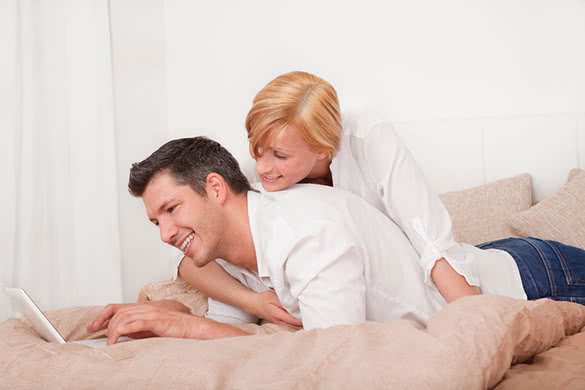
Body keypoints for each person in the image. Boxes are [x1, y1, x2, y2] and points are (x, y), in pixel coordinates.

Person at [89, 137, 585, 345]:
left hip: (528, 274)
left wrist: (191, 332)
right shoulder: (234, 243)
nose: (166, 233)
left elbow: (332, 350)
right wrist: (174, 319)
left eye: (171, 210)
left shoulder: (307, 232)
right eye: (156, 222)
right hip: (494, 261)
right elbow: (234, 328)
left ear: (216, 188)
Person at [175, 71, 486, 326]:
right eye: (256, 147)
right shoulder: (255, 176)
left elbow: (433, 245)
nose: (262, 166)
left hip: (494, 271)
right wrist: (253, 301)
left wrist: (479, 326)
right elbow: (194, 260)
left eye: (280, 155)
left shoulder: (367, 140)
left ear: (323, 149)